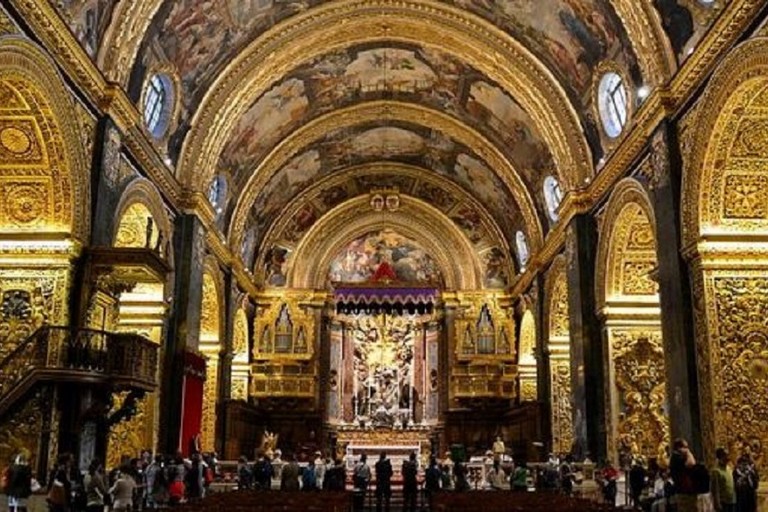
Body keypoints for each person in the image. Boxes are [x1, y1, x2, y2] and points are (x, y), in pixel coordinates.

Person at [670, 439, 698, 512]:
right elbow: (691, 463)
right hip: (683, 492)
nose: (687, 449)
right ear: (679, 448)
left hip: (686, 491)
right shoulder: (676, 457)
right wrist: (688, 452)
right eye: (685, 447)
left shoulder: (679, 457)